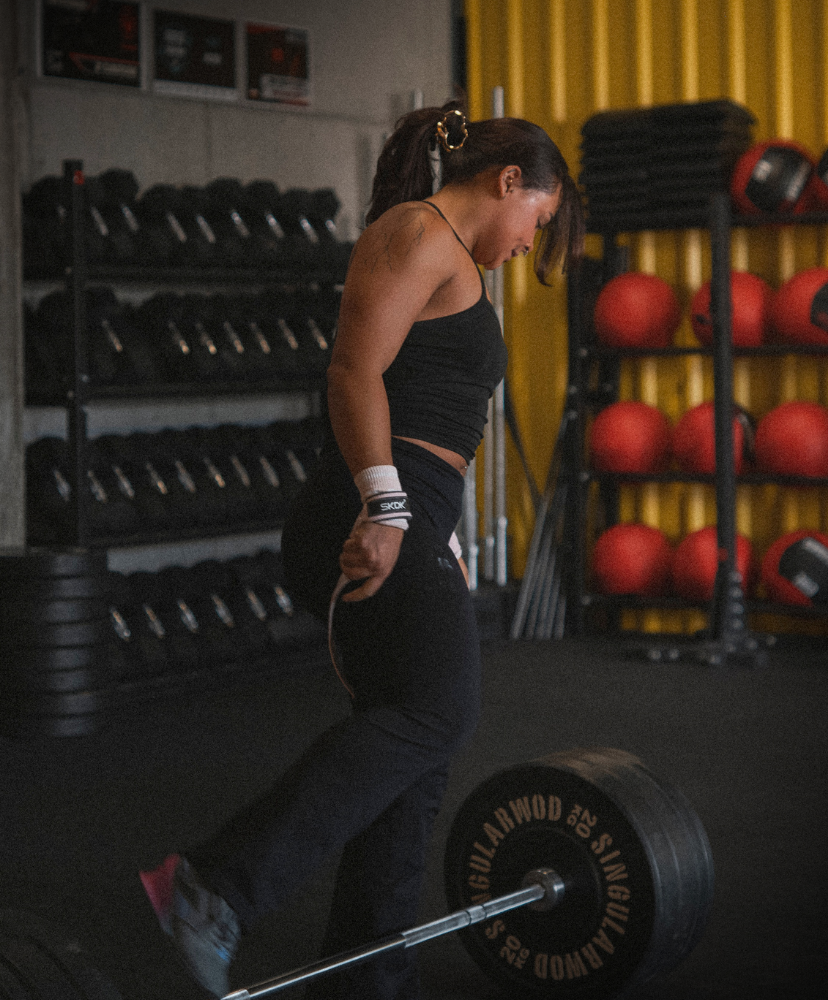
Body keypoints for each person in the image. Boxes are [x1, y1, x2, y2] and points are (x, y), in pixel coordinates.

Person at [139, 100, 583, 1000]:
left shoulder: (454, 258)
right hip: (375, 499)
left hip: (418, 505)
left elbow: (433, 404)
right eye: (538, 221)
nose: (532, 243)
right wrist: (386, 509)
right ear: (507, 183)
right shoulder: (416, 232)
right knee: (437, 713)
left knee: (419, 741)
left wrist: (441, 530)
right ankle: (211, 885)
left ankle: (369, 973)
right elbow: (353, 370)